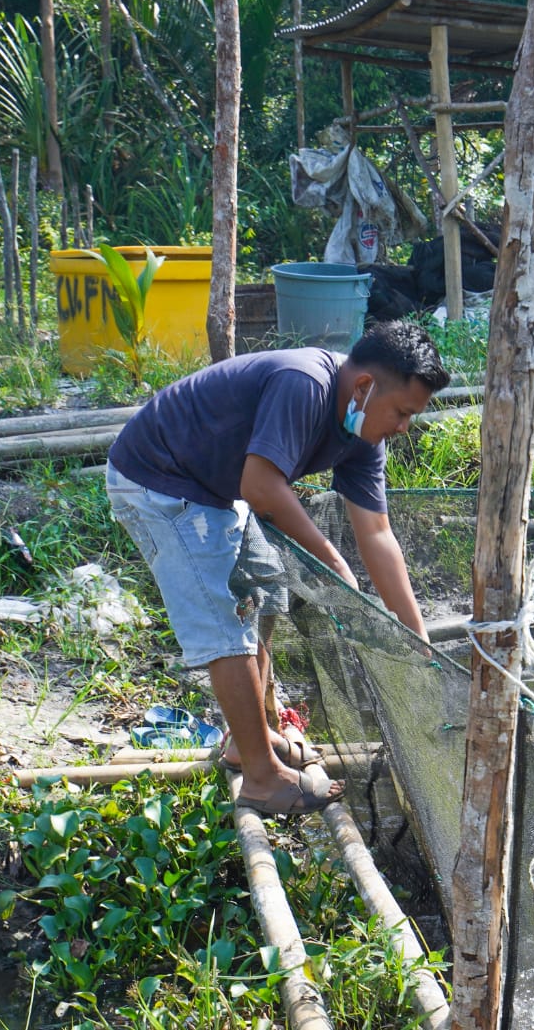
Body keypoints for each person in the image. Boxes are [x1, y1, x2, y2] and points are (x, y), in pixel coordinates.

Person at [106, 320, 449, 815]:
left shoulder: (364, 436)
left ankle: (248, 741)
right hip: (159, 480)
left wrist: (419, 646)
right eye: (401, 412)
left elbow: (377, 535)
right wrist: (331, 560)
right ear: (365, 387)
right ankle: (262, 778)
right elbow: (262, 487)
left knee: (265, 584)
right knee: (225, 619)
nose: (403, 427)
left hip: (214, 488)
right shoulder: (304, 383)